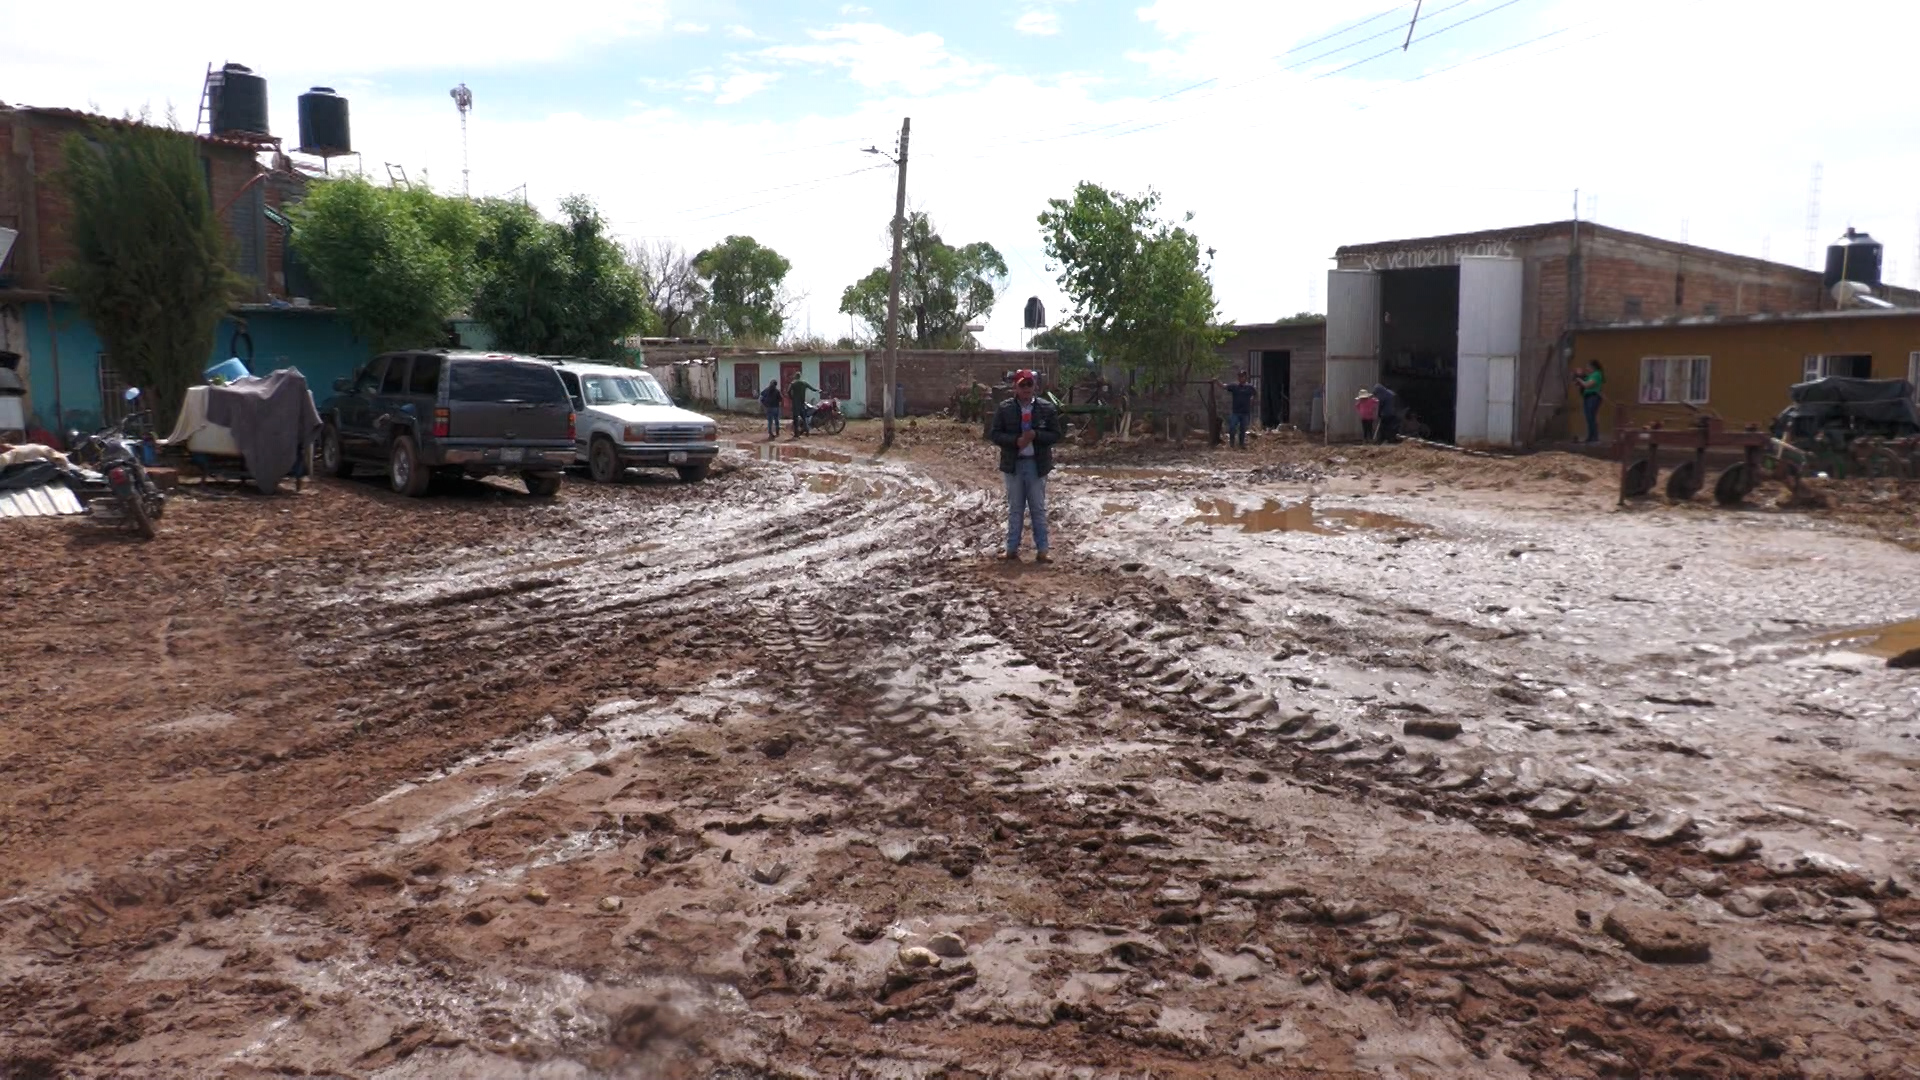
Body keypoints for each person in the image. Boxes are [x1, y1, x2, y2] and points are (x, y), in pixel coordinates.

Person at [988, 369, 1060, 563]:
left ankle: (1043, 550)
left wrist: (1036, 435)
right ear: (1016, 387)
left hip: (1037, 466)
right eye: (1023, 385)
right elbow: (994, 434)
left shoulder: (1046, 408)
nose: (1026, 388)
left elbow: (1056, 435)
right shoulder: (1005, 409)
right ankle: (1011, 549)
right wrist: (1015, 441)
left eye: (1029, 384)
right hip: (1014, 466)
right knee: (1015, 509)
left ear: (1035, 386)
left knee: (1037, 508)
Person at [1574, 360, 1605, 443]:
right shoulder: (1590, 375)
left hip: (1593, 396)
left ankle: (1594, 437)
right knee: (1588, 417)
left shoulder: (1597, 374)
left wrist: (1580, 380)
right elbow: (1582, 381)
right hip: (1587, 397)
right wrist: (1578, 375)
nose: (1587, 368)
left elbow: (1588, 385)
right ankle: (1590, 436)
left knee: (1591, 417)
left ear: (1593, 367)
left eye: (1588, 366)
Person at [1225, 371, 1258, 449]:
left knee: (1243, 429)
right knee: (1232, 427)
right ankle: (1232, 443)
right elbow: (1224, 386)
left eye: (1242, 376)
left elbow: (1255, 394)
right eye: (1239, 376)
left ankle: (1241, 444)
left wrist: (1252, 399)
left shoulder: (1249, 387)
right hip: (1236, 412)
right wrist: (1216, 381)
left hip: (1245, 412)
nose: (1240, 378)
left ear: (1245, 377)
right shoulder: (1234, 386)